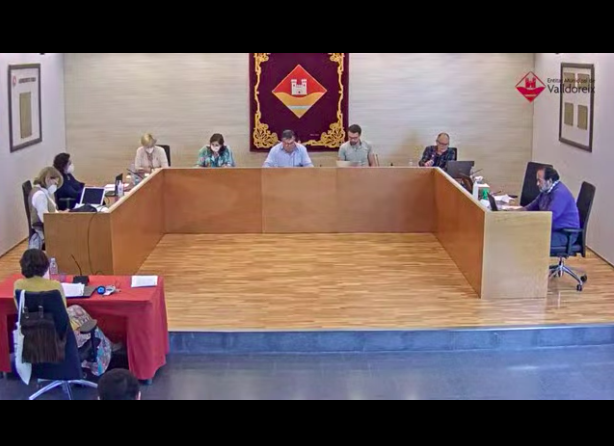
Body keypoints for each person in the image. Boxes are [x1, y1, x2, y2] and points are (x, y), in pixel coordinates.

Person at [14, 249, 113, 376]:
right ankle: (100, 360)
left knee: (77, 309)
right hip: (60, 339)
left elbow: (20, 311)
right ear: (45, 266)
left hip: (34, 340)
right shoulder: (54, 286)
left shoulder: (18, 285)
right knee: (85, 319)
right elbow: (62, 315)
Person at [523, 166, 580, 249]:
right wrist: (511, 213)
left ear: (549, 181)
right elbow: (530, 207)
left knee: (529, 240)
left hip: (563, 234)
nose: (537, 184)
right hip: (552, 230)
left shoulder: (559, 194)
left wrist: (526, 221)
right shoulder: (546, 190)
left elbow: (548, 218)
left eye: (539, 181)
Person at [29, 167, 63, 249]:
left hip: (52, 224)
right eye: (55, 183)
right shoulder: (40, 195)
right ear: (48, 179)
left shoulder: (43, 192)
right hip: (46, 230)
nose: (55, 186)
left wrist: (60, 213)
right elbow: (45, 218)